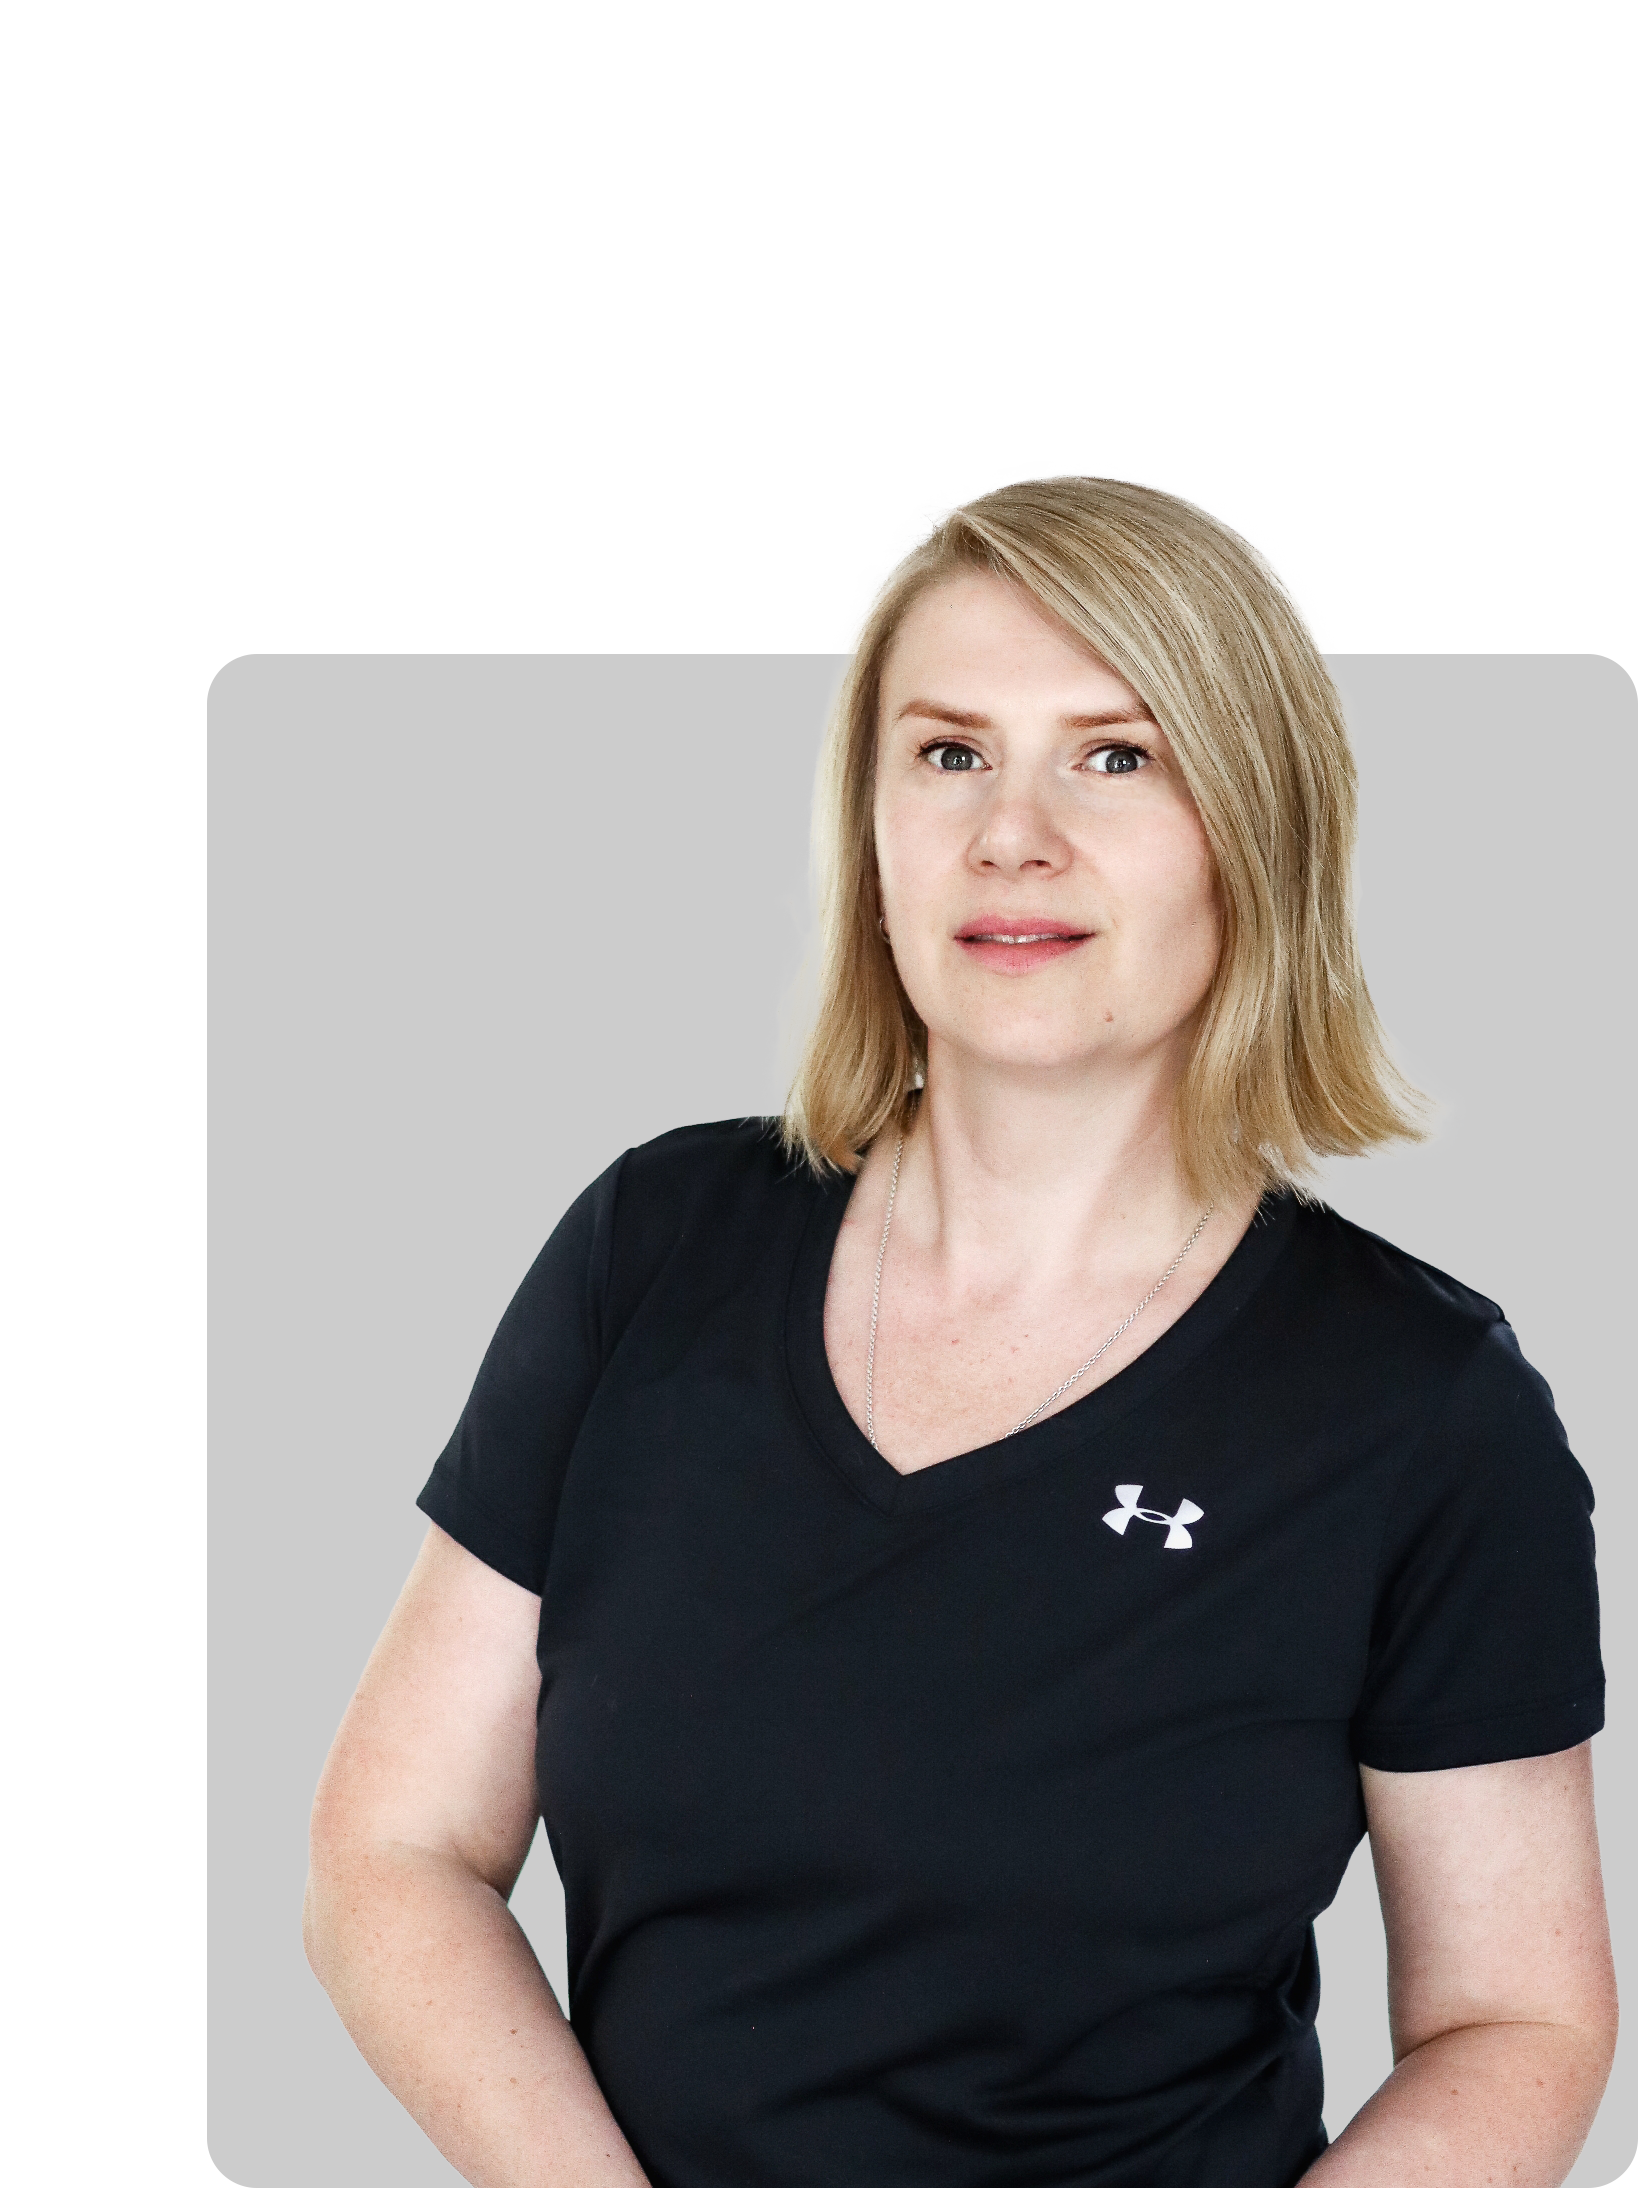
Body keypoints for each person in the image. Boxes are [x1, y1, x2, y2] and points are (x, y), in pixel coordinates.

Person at [302, 474, 1617, 2189]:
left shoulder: (1421, 1407)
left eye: (1115, 756)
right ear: (873, 829)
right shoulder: (658, 1246)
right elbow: (394, 1848)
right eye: (949, 753)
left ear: (1258, 825)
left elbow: (1517, 2019)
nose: (1013, 832)